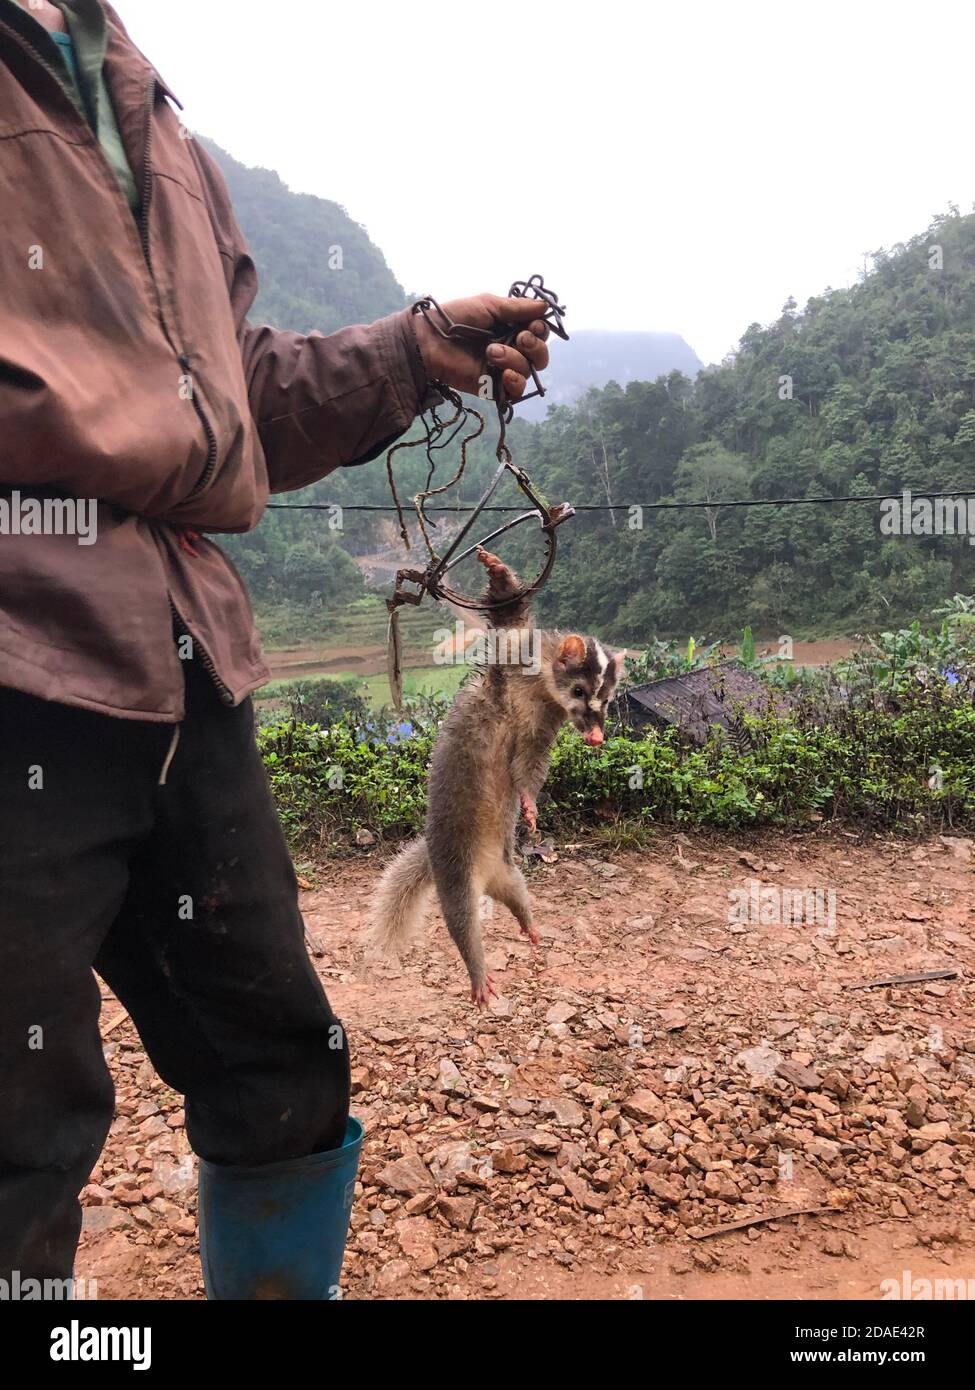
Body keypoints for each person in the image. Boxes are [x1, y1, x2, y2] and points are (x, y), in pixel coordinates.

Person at [0, 0, 552, 1299]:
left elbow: (225, 393)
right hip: (18, 659)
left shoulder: (145, 103)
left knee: (280, 1066)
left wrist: (415, 351)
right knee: (16, 1136)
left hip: (187, 658)